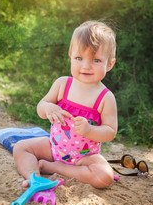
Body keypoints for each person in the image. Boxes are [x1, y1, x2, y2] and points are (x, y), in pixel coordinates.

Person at [13, 20, 118, 189]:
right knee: (20, 148)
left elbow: (110, 131)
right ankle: (33, 177)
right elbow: (41, 107)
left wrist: (90, 130)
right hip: (54, 147)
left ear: (110, 64)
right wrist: (48, 107)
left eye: (96, 60)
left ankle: (55, 167)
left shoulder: (105, 97)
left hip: (85, 157)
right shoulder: (62, 84)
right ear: (70, 56)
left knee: (104, 177)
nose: (86, 66)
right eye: (79, 58)